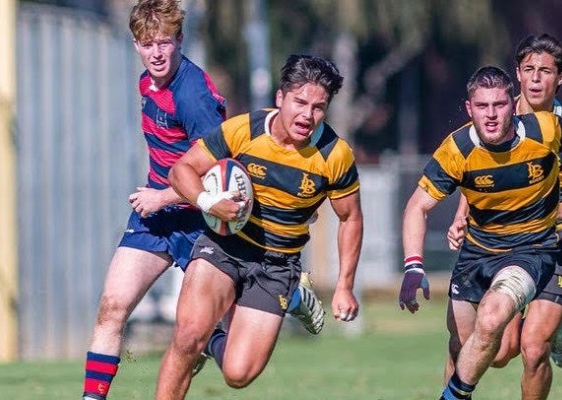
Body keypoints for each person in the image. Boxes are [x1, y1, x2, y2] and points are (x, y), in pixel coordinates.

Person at [155, 54, 364, 399]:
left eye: (318, 107)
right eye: (299, 102)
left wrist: (344, 285)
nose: (306, 115)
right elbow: (181, 171)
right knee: (188, 335)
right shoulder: (245, 130)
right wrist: (209, 202)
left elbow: (350, 217)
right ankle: (202, 338)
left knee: (238, 374)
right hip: (224, 247)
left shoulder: (334, 154)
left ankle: (290, 297)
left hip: (277, 266)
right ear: (280, 98)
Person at [80, 1, 228, 399]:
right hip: (156, 216)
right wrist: (159, 200)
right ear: (135, 45)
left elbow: (219, 169)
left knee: (208, 335)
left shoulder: (193, 95)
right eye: (148, 45)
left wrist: (163, 196)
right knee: (112, 307)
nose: (157, 53)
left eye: (164, 42)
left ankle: (290, 289)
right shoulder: (147, 81)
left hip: (199, 220)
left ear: (180, 39)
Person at [399, 65, 562, 399]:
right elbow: (417, 207)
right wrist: (414, 266)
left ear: (512, 106)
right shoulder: (456, 150)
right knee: (464, 346)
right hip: (476, 254)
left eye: (499, 105)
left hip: (532, 250)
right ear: (469, 108)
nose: (491, 115)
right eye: (483, 106)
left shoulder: (545, 131)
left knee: (493, 319)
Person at [445, 34, 562, 397]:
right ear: (518, 73)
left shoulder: (557, 125)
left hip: (554, 247)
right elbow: (479, 173)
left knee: (533, 348)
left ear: (559, 78)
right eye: (529, 69)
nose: (536, 78)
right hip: (506, 248)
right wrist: (461, 215)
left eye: (545, 70)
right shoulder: (497, 112)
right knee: (500, 350)